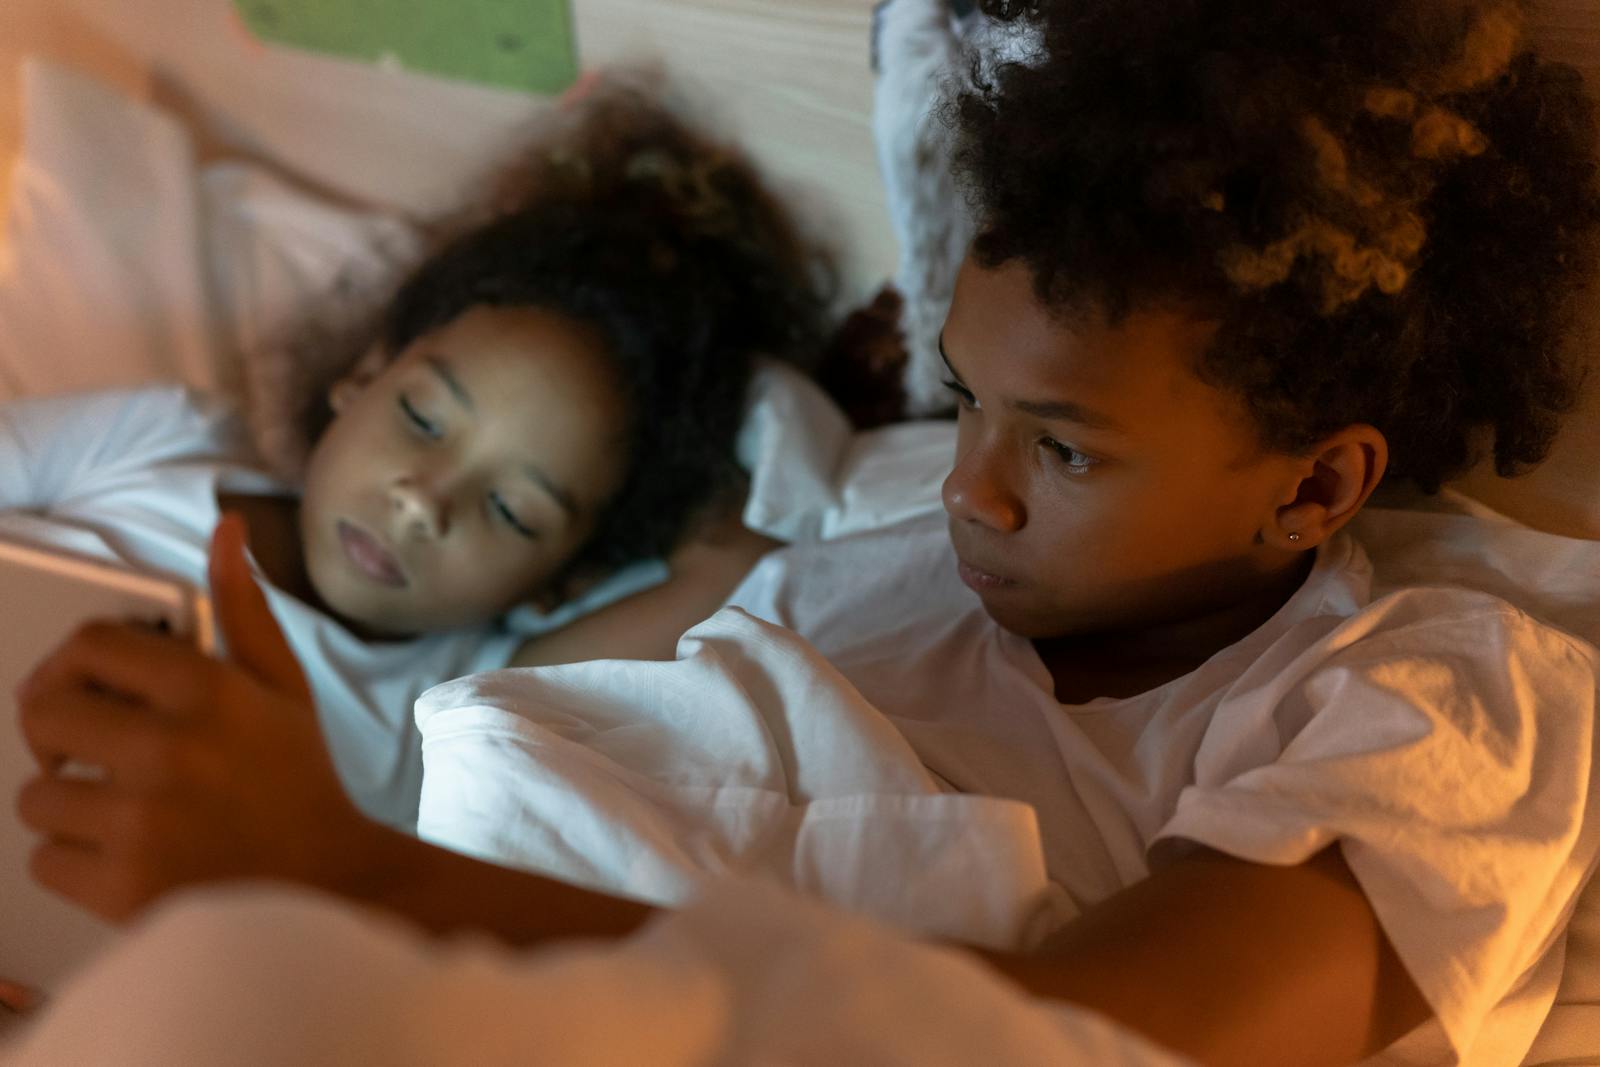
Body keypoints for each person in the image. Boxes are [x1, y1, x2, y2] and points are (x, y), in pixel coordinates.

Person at [14, 1, 1600, 1064]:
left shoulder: (1439, 694)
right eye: (966, 399)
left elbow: (1093, 1046)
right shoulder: (921, 564)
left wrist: (352, 873)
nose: (969, 485)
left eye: (1060, 445)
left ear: (1315, 488)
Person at [2, 84, 827, 828]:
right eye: (423, 419)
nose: (426, 501)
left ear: (560, 586)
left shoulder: (457, 706)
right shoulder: (167, 439)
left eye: (511, 510)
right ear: (362, 374)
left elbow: (734, 560)